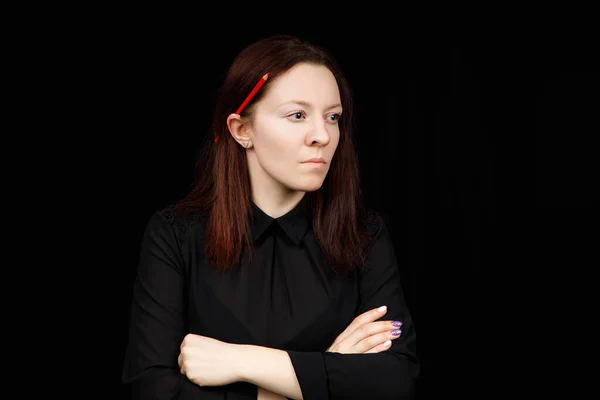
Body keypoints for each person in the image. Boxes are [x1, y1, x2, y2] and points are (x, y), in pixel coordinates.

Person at [121, 34, 419, 399]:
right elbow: (151, 389)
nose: (322, 136)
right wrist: (326, 370)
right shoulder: (175, 235)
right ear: (241, 130)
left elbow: (396, 380)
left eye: (333, 117)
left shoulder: (365, 235)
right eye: (297, 115)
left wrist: (243, 362)